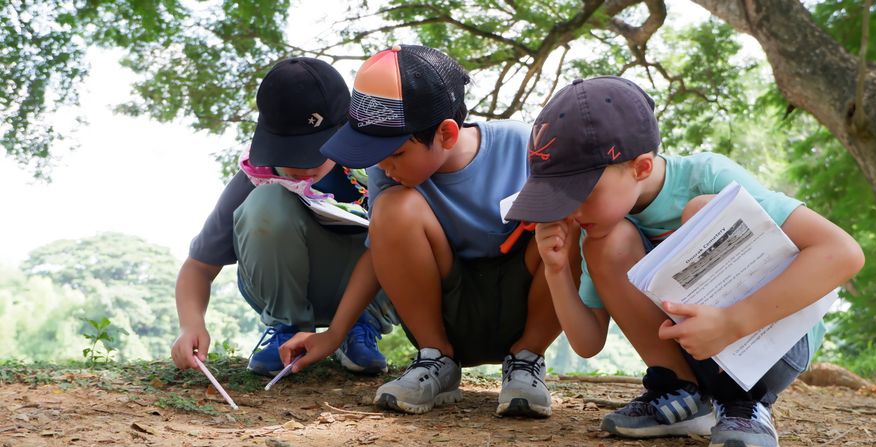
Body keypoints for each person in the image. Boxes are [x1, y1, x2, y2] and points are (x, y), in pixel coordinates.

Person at [505, 76, 864, 447]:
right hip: (698, 345)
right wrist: (557, 270)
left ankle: (745, 403)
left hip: (771, 337)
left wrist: (733, 322)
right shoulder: (598, 228)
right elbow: (588, 342)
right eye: (561, 198)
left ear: (641, 167)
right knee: (607, 241)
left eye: (583, 194)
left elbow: (843, 252)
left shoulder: (706, 176)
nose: (572, 211)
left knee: (702, 211)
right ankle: (681, 393)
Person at [279, 45, 575, 418]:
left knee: (572, 213)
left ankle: (527, 361)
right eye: (374, 154)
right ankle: (435, 360)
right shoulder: (388, 173)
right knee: (392, 208)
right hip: (446, 314)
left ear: (447, 134)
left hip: (526, 304)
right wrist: (334, 333)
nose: (384, 167)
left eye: (396, 153)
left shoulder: (525, 147)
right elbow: (379, 251)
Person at [171, 57, 397, 377]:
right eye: (291, 151)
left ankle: (361, 328)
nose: (303, 166)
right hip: (289, 288)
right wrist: (190, 325)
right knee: (265, 202)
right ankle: (288, 328)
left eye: (316, 150)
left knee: (401, 212)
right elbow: (198, 267)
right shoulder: (258, 176)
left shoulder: (384, 164)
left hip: (368, 292)